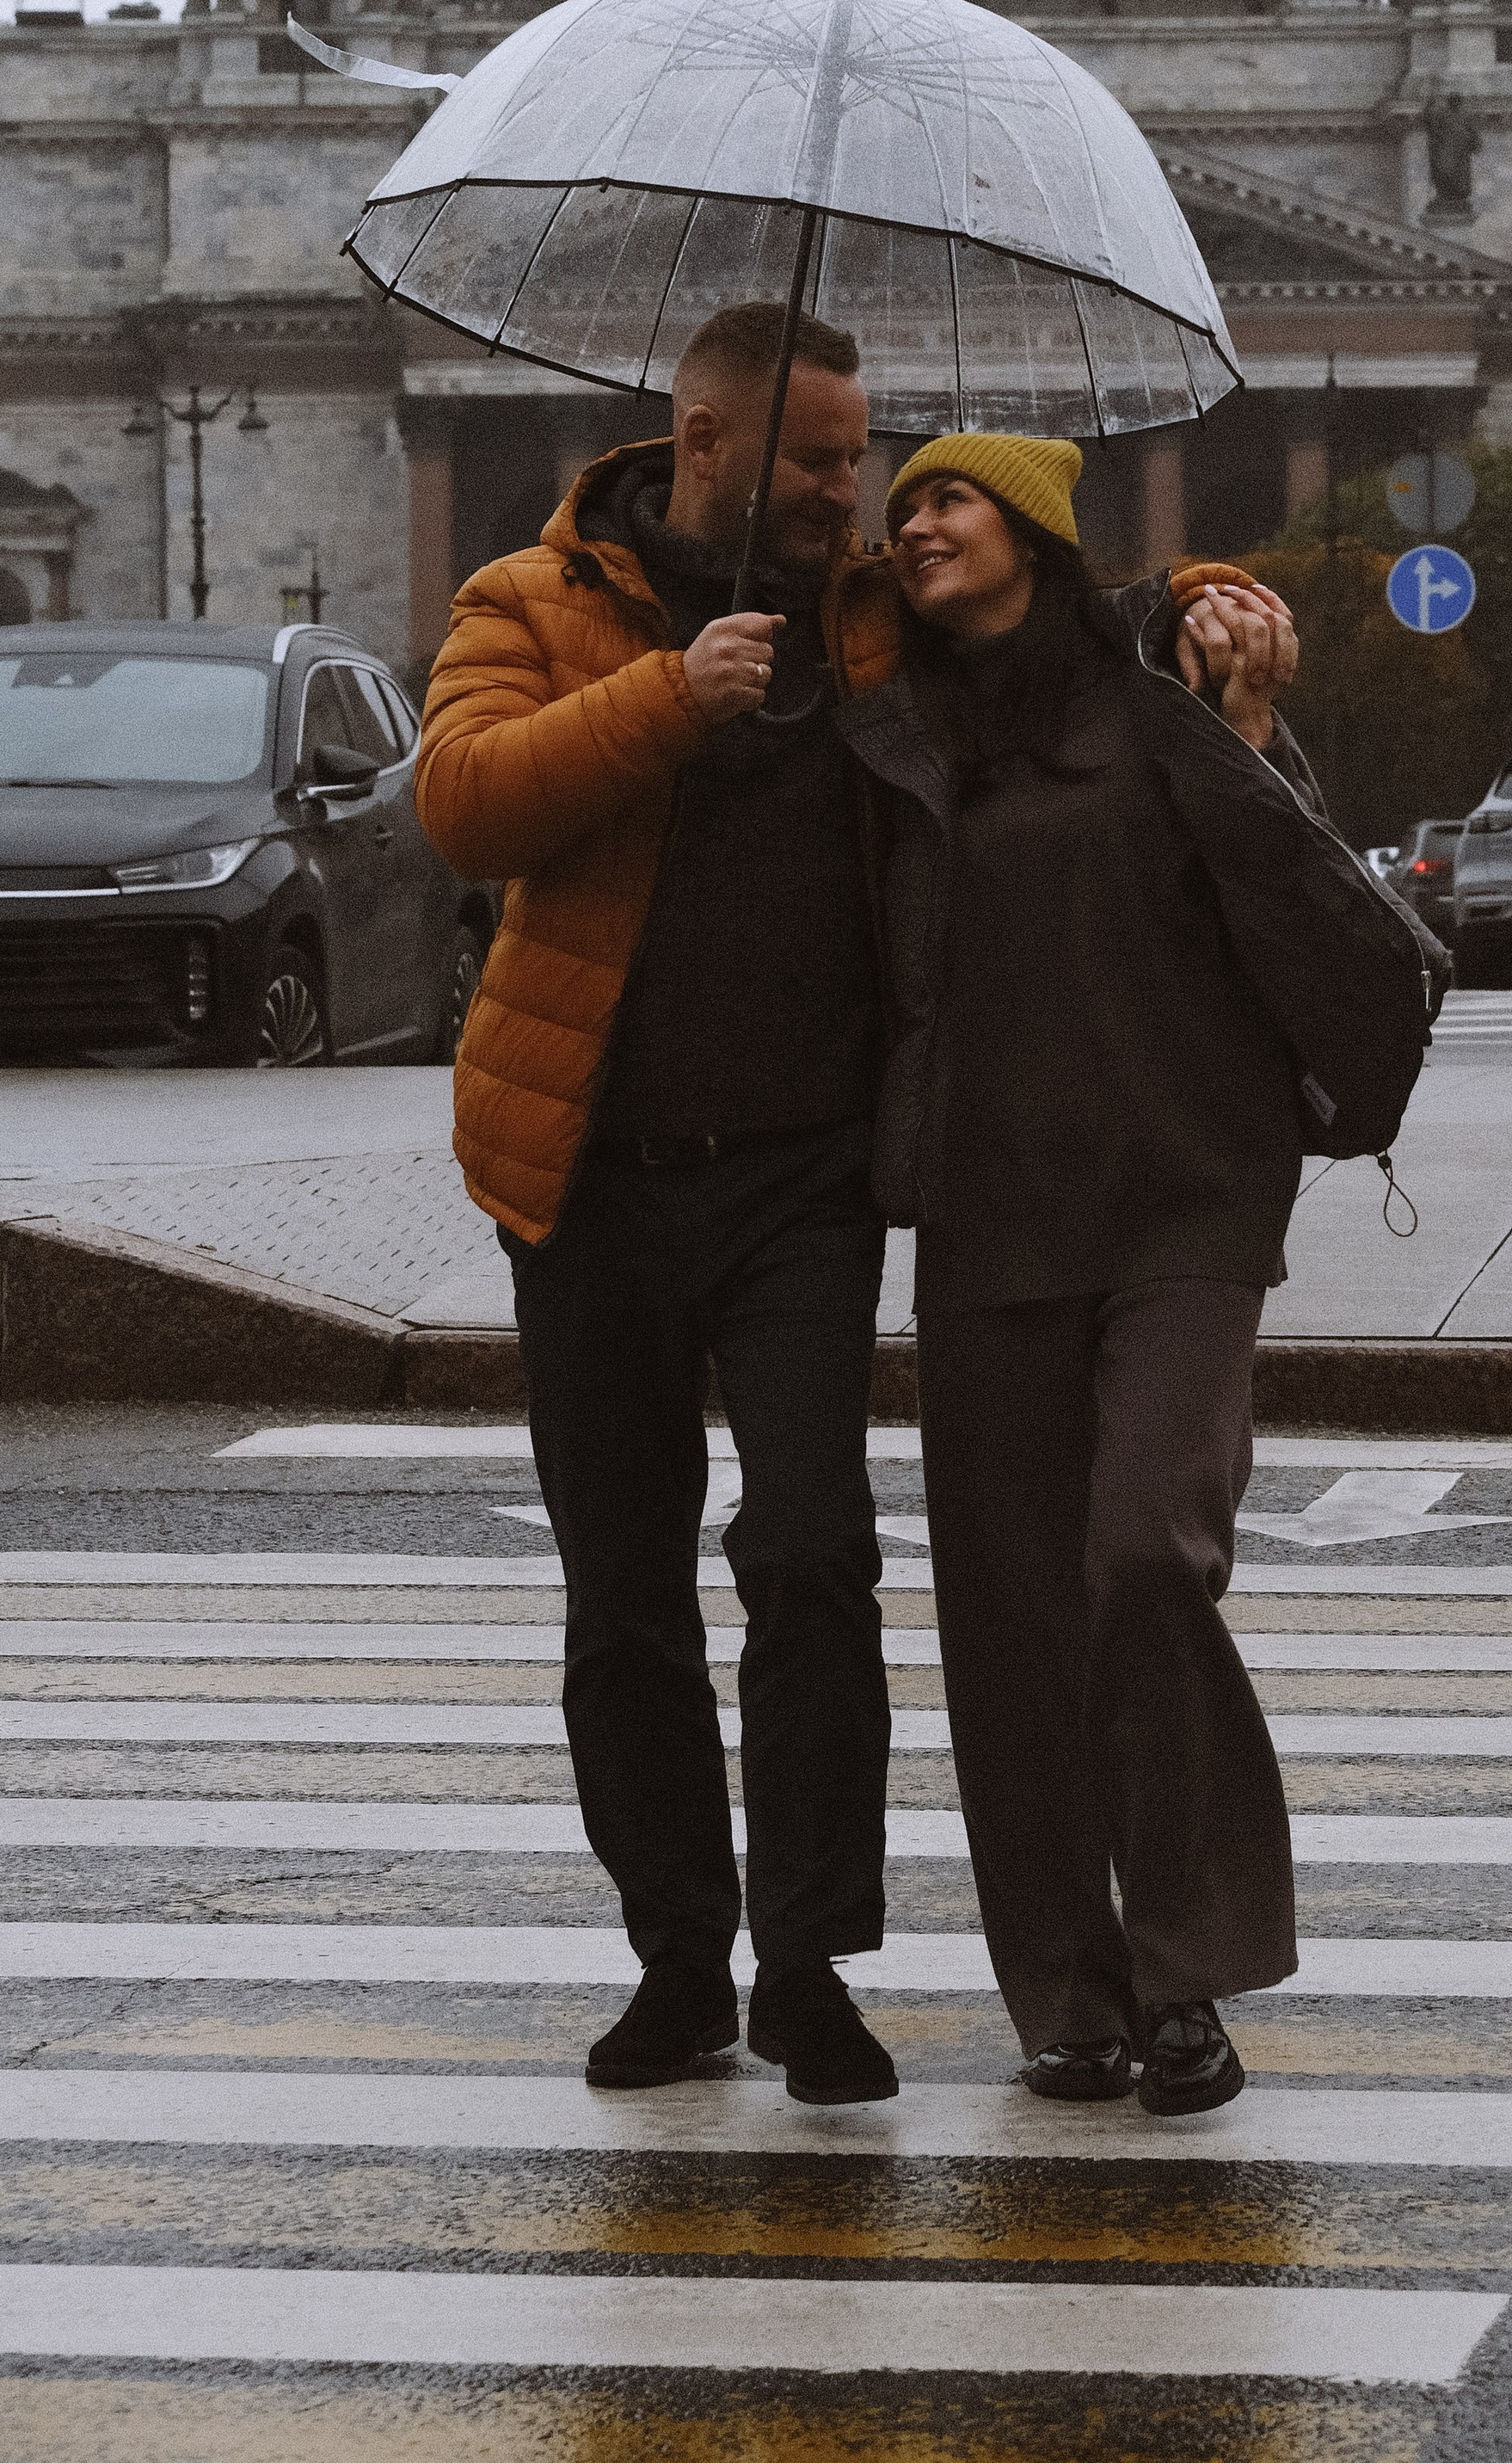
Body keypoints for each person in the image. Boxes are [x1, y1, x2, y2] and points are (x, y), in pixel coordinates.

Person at [833, 429, 1355, 2117]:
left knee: (1144, 1554)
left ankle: (1185, 1972)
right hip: (989, 1214)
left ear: (1035, 528)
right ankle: (1067, 1991)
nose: (916, 523)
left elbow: (1301, 885)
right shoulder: (892, 726)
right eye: (901, 505)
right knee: (1007, 1616)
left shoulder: (1163, 683)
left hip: (1185, 1195)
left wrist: (1247, 723)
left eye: (949, 498)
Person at [414, 300, 901, 2105]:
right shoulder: (528, 600)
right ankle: (679, 1961)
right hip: (589, 1175)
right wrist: (666, 701)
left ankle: (810, 1966)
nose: (848, 491)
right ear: (704, 443)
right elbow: (463, 805)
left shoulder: (868, 616)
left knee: (812, 1553)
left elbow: (1057, 626)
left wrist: (1217, 611)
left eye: (859, 459)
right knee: (623, 1592)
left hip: (804, 1177)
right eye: (817, 461)